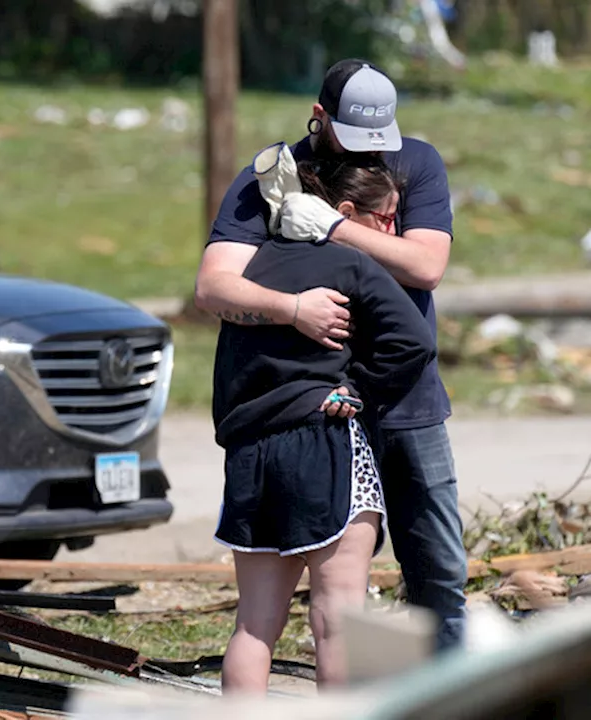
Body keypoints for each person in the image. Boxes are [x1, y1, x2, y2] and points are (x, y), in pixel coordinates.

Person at [194, 58, 467, 653]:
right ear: (319, 118)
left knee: (439, 570)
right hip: (316, 411)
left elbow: (427, 265)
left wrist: (332, 229)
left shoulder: (416, 163)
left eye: (380, 142)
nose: (371, 157)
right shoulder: (270, 179)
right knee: (332, 594)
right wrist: (292, 309)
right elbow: (215, 287)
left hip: (405, 401)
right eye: (355, 139)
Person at [213, 143, 437, 692]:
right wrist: (355, 389)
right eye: (386, 218)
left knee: (254, 625)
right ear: (346, 214)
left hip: (251, 454)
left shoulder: (255, 269)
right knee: (337, 622)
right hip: (326, 444)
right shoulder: (350, 261)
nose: (391, 231)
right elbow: (414, 342)